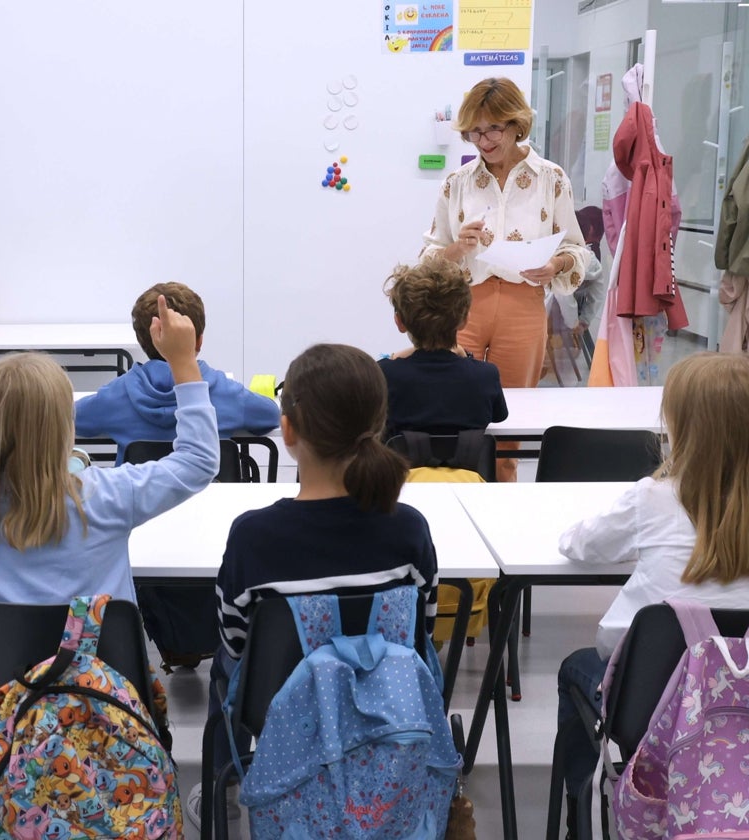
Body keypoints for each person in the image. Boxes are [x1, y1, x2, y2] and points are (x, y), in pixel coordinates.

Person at [192, 343, 439, 828]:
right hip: (389, 710)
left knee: (223, 666)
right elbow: (420, 631)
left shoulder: (253, 536)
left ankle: (224, 791)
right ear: (378, 426)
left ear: (288, 431)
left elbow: (235, 641)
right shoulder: (409, 528)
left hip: (278, 714)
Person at [554, 353, 749, 837]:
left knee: (575, 667)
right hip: (741, 700)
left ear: (681, 428)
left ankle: (582, 808)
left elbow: (579, 544)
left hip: (647, 706)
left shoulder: (651, 499)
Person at [0, 295, 219, 604]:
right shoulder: (109, 497)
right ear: (64, 430)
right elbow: (198, 460)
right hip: (100, 653)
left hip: (3, 654)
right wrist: (184, 363)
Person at [419, 77, 591, 481]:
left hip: (523, 306)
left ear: (517, 124)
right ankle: (452, 490)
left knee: (510, 422)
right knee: (449, 410)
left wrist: (556, 267)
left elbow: (578, 250)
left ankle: (503, 496)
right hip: (462, 307)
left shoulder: (552, 178)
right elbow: (429, 256)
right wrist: (457, 250)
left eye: (493, 128)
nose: (484, 139)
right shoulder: (457, 183)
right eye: (475, 131)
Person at [74, 282, 279, 464]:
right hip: (212, 504)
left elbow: (69, 417)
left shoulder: (114, 396)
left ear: (143, 340)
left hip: (140, 506)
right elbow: (271, 415)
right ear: (198, 340)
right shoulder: (228, 393)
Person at [380, 258, 508, 439]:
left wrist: (393, 358)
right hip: (468, 468)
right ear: (464, 320)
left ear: (399, 321)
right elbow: (499, 416)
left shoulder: (385, 375)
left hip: (404, 468)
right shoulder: (485, 376)